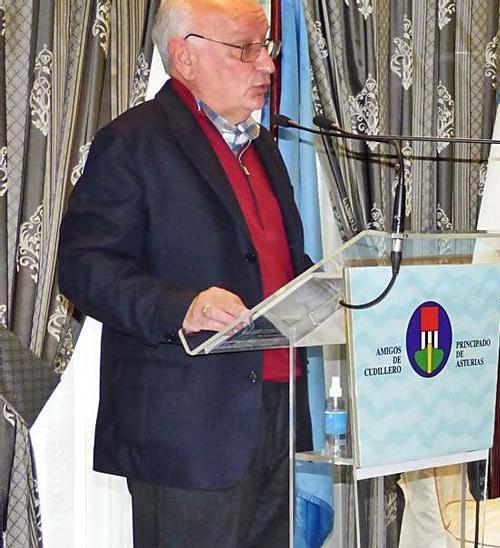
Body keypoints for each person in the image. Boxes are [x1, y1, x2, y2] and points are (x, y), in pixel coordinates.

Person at [57, 0, 311, 545]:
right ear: (185, 57)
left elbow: (278, 266)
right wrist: (183, 307)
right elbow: (84, 266)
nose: (266, 65)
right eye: (246, 49)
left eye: (266, 48)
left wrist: (343, 285)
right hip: (188, 432)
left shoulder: (261, 145)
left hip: (277, 415)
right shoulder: (134, 142)